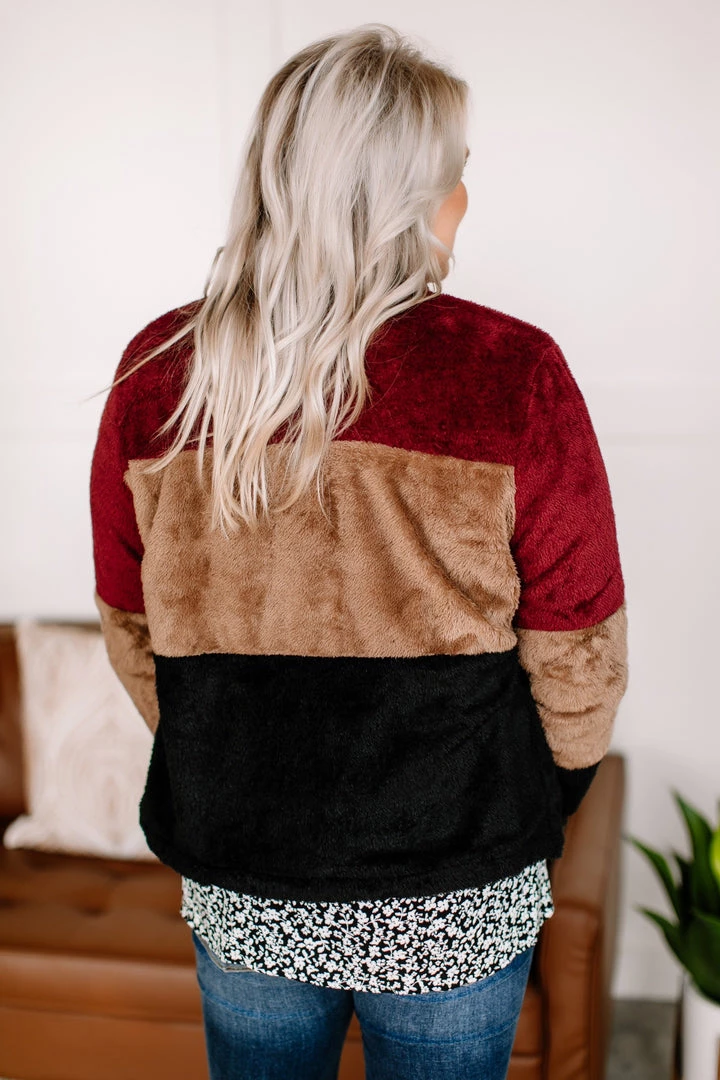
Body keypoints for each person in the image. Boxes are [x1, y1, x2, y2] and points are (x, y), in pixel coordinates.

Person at [89, 22, 629, 1080]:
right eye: (456, 175)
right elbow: (581, 657)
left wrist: (232, 750)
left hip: (245, 869)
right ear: (410, 200)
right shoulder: (512, 373)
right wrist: (535, 787)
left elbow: (131, 629)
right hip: (456, 882)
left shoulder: (160, 374)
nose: (464, 199)